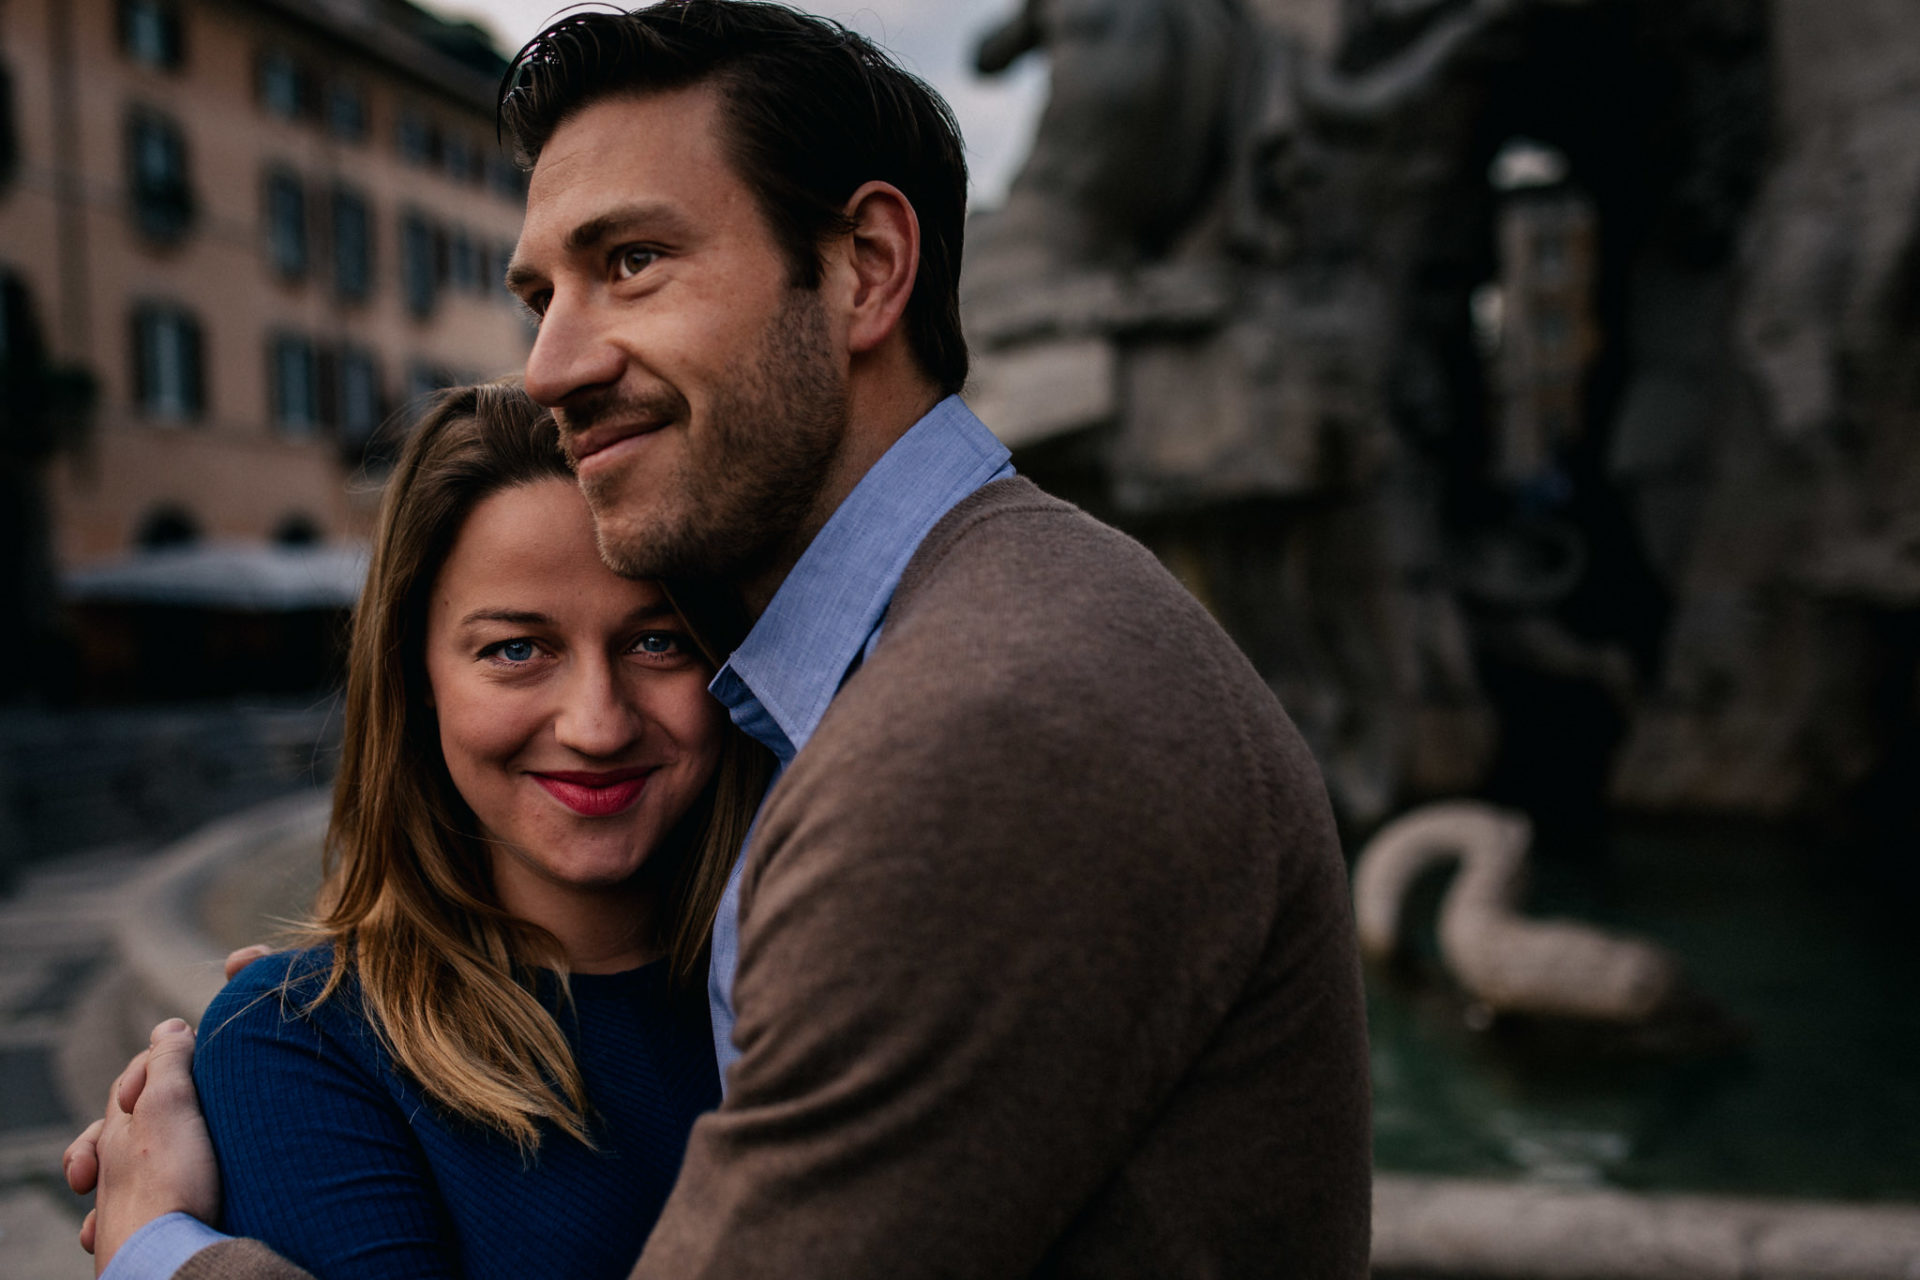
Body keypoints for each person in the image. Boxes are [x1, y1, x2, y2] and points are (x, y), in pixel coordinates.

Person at [68, 4, 1373, 1278]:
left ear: (866, 267)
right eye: (541, 293)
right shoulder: (1021, 619)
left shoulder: (972, 727)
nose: (554, 364)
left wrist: (164, 1256)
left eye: (632, 260)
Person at [112, 382, 772, 1280]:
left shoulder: (829, 981)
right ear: (416, 673)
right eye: (515, 649)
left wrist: (153, 1261)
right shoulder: (301, 1043)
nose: (598, 724)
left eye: (658, 643)